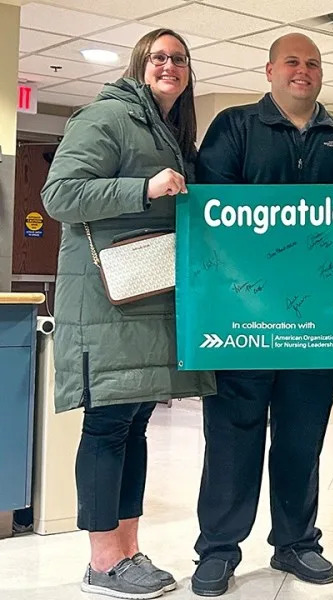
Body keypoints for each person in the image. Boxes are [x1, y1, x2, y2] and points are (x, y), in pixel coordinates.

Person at [189, 33, 333, 597]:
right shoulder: (234, 126)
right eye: (292, 62)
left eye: (313, 63)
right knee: (232, 436)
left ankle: (297, 543)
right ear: (270, 70)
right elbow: (212, 217)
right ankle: (218, 550)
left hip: (320, 323)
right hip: (243, 320)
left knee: (302, 436)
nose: (303, 71)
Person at [42, 28, 215, 599]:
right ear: (141, 64)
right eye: (159, 57)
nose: (169, 65)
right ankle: (100, 562)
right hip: (106, 302)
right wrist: (143, 188)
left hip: (145, 300)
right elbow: (60, 195)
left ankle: (128, 550)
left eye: (179, 59)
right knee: (108, 427)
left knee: (134, 426)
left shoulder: (167, 129)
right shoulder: (105, 117)